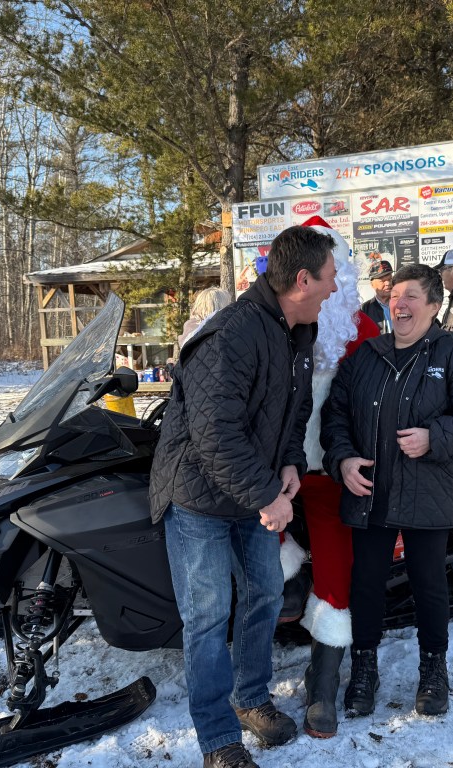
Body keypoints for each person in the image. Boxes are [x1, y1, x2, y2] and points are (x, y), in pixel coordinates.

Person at [149, 223, 337, 768]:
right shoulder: (231, 335)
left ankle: (250, 697)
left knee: (265, 596)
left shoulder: (298, 332)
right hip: (198, 497)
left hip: (252, 490)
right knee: (208, 618)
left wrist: (290, 462)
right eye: (328, 277)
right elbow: (214, 435)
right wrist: (268, 495)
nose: (333, 287)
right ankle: (217, 741)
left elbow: (295, 410)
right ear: (302, 280)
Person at [321, 263, 453, 719]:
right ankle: (364, 667)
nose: (399, 304)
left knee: (428, 584)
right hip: (371, 492)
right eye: (395, 295)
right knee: (366, 583)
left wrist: (434, 437)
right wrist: (342, 458)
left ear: (434, 306)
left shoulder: (450, 354)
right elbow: (335, 413)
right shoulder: (368, 355)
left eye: (411, 297)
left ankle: (433, 669)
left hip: (428, 492)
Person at [285, 217, 379, 740]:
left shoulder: (363, 333)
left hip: (330, 470)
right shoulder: (277, 324)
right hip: (274, 468)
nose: (331, 290)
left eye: (337, 277)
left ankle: (322, 680)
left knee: (336, 560)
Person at [360, 260, 393, 334]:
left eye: (390, 279)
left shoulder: (402, 303)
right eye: (382, 281)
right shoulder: (365, 309)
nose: (388, 283)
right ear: (372, 284)